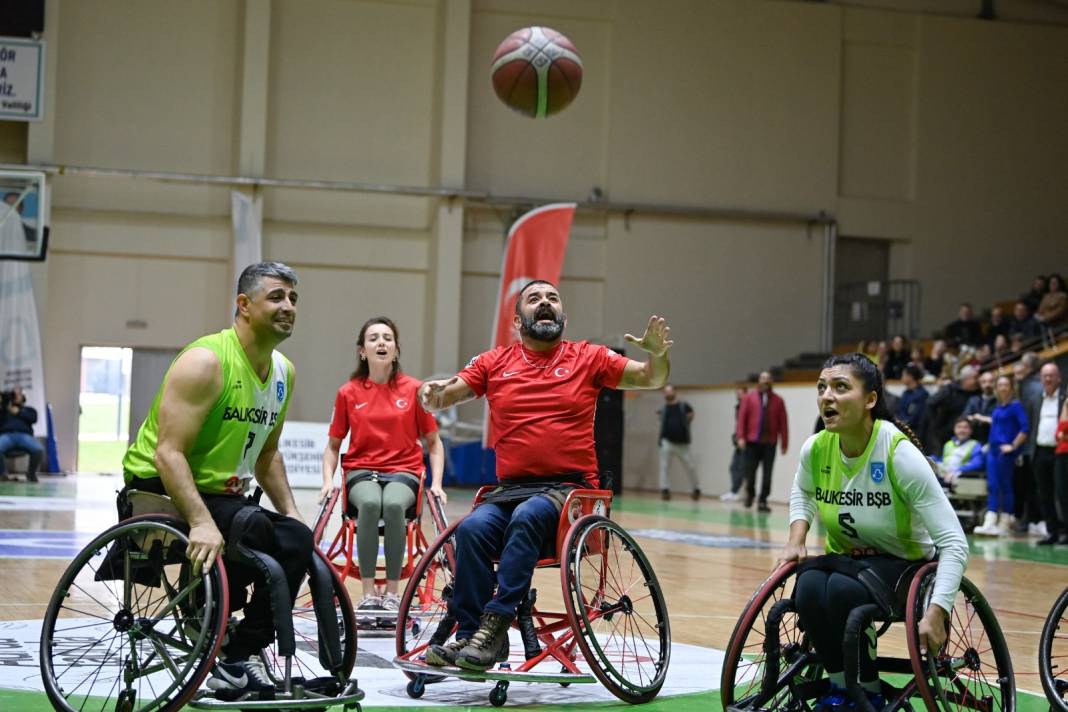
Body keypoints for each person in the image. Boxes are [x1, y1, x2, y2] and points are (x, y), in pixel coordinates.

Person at [417, 280, 671, 671]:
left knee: (528, 515)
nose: (545, 303)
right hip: (510, 491)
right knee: (470, 529)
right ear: (518, 320)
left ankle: (496, 624)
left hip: (570, 492)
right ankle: (470, 634)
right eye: (535, 299)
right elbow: (454, 390)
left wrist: (657, 357)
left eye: (553, 298)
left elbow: (650, 378)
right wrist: (435, 395)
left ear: (563, 316)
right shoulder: (494, 362)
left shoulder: (588, 357)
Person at [121, 262, 309, 697]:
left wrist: (295, 515)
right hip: (159, 486)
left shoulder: (284, 372)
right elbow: (167, 452)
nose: (289, 307)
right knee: (253, 527)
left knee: (296, 538)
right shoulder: (206, 361)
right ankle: (210, 619)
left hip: (226, 495)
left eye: (294, 299)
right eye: (277, 297)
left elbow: (267, 453)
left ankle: (239, 651)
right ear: (243, 305)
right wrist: (202, 522)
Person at [779, 353, 968, 711]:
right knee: (808, 587)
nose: (826, 396)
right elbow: (802, 492)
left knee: (840, 591)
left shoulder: (898, 453)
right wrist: (796, 539)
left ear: (870, 400)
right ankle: (839, 688)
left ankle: (867, 693)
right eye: (821, 388)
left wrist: (938, 610)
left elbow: (954, 543)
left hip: (904, 567)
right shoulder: (816, 448)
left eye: (840, 387)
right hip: (847, 560)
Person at [321, 317, 445, 624]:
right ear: (362, 350)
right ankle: (366, 595)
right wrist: (327, 481)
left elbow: (434, 443)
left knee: (391, 505)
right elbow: (333, 445)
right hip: (362, 472)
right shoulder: (348, 392)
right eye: (373, 338)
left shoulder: (416, 389)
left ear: (396, 349)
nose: (381, 343)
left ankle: (391, 594)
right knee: (371, 503)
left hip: (403, 471)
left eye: (387, 338)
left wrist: (438, 484)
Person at [973, 375, 1029, 536]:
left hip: (1005, 453)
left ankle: (1005, 520)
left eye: (1006, 385)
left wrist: (1013, 446)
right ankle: (990, 520)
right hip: (993, 450)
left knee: (1004, 486)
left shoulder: (1016, 406)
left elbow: (1024, 429)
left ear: (1011, 388)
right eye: (1000, 385)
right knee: (992, 486)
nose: (1002, 388)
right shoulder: (999, 407)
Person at [736, 371, 789, 513]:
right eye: (763, 378)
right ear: (759, 380)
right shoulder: (749, 398)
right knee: (750, 472)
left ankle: (763, 500)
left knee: (767, 475)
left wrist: (784, 443)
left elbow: (783, 423)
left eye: (768, 379)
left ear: (771, 381)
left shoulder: (778, 400)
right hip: (752, 442)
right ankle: (750, 495)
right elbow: (742, 418)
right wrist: (740, 436)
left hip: (770, 443)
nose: (765, 381)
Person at [1025, 363, 1065, 545]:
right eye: (1045, 376)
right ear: (1040, 379)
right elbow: (1032, 426)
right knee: (1044, 493)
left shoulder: (1064, 398)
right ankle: (1052, 532)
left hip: (1060, 451)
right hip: (1039, 451)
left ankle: (1066, 531)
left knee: (1063, 492)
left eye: (1051, 376)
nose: (1048, 379)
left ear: (1059, 378)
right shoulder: (1035, 399)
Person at [657, 384, 699, 501]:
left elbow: (691, 414)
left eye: (669, 391)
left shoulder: (683, 406)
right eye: (665, 392)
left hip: (682, 443)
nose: (667, 394)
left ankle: (696, 489)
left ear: (674, 392)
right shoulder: (664, 408)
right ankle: (665, 490)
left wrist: (687, 421)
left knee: (690, 466)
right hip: (667, 442)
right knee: (664, 466)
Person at [0, 388, 45, 482]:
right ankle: (2, 474)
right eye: (14, 394)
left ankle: (31, 474)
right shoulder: (3, 411)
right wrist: (3, 406)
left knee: (38, 449)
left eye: (19, 394)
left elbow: (34, 418)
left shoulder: (29, 410)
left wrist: (19, 412)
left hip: (24, 436)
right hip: (6, 435)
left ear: (23, 397)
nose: (16, 396)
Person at [934, 417, 985, 488]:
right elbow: (943, 460)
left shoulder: (975, 445)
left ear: (971, 430)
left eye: (965, 427)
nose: (962, 430)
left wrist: (957, 470)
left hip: (960, 477)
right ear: (954, 429)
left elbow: (977, 464)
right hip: (943, 474)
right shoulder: (948, 444)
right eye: (959, 427)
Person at [721, 385, 748, 502]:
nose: (738, 396)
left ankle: (737, 492)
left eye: (740, 393)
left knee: (742, 468)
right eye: (737, 394)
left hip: (746, 442)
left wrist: (744, 438)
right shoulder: (738, 407)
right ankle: (735, 491)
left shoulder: (749, 407)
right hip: (739, 441)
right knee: (734, 467)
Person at [962, 370, 997, 443]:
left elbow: (1000, 422)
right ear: (980, 384)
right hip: (975, 440)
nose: (987, 385)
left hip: (993, 440)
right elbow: (965, 417)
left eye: (991, 381)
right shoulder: (973, 400)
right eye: (984, 382)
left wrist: (981, 418)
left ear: (995, 383)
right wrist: (972, 418)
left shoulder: (1000, 401)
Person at [894, 365, 928, 433]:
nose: (901, 378)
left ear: (910, 377)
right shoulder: (905, 393)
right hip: (900, 428)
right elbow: (898, 411)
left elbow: (914, 418)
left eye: (903, 375)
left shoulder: (922, 395)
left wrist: (900, 424)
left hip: (913, 431)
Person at [1053, 399, 1068, 545]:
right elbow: (1059, 433)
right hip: (1061, 454)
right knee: (1062, 494)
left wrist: (1063, 435)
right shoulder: (1065, 406)